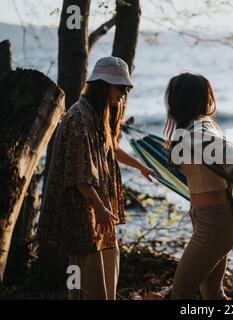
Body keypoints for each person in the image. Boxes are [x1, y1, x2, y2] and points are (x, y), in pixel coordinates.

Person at [38, 56, 155, 300]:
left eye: (127, 89)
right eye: (121, 88)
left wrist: (140, 166)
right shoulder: (78, 118)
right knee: (85, 284)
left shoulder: (97, 115)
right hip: (82, 213)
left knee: (106, 273)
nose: (124, 94)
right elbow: (78, 173)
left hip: (98, 211)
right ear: (103, 85)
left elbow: (111, 149)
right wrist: (100, 208)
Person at [164, 72, 233, 300]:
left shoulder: (197, 134)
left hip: (214, 223)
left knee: (181, 294)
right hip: (213, 220)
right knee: (211, 293)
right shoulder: (198, 129)